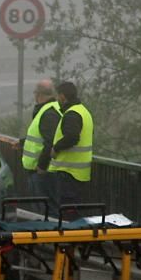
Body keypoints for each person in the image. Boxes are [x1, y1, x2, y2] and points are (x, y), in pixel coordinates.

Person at [49, 81, 93, 217]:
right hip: (79, 172)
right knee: (73, 210)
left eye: (58, 96)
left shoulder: (71, 114)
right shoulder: (83, 111)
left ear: (62, 96)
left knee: (67, 213)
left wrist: (55, 148)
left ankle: (69, 236)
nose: (57, 99)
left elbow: (72, 137)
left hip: (68, 172)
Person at [20, 78, 61, 213]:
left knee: (44, 211)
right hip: (41, 171)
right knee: (42, 209)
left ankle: (47, 232)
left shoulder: (48, 113)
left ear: (38, 95)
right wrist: (21, 143)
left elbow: (50, 143)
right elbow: (39, 137)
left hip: (42, 172)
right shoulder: (49, 109)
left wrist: (41, 167)